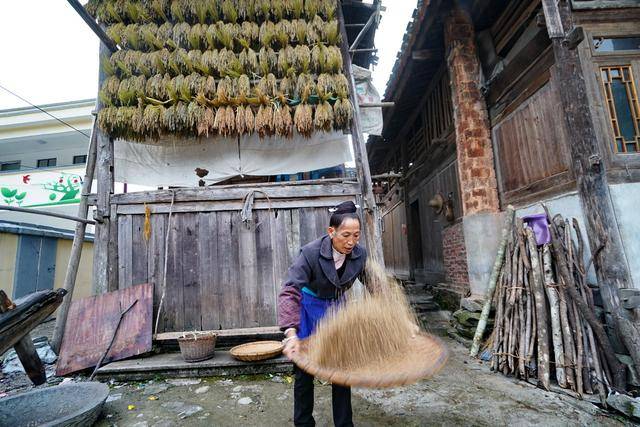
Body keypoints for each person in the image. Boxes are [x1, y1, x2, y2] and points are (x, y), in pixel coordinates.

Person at [278, 200, 367, 427]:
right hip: (309, 308)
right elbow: (290, 290)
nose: (351, 242)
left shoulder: (359, 255)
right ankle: (304, 422)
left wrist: (399, 320)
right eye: (346, 235)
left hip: (337, 310)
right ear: (331, 231)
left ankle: (344, 424)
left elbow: (375, 284)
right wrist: (291, 333)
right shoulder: (310, 252)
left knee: (341, 369)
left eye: (356, 235)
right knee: (304, 371)